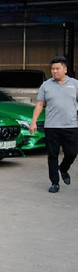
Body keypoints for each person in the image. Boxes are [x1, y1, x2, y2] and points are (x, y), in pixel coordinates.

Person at [30, 56, 78, 193]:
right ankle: (55, 183)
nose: (54, 71)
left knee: (72, 153)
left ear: (65, 69)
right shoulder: (46, 85)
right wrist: (33, 122)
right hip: (52, 126)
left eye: (57, 69)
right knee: (52, 155)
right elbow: (39, 105)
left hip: (71, 126)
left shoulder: (74, 84)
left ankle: (63, 169)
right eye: (52, 69)